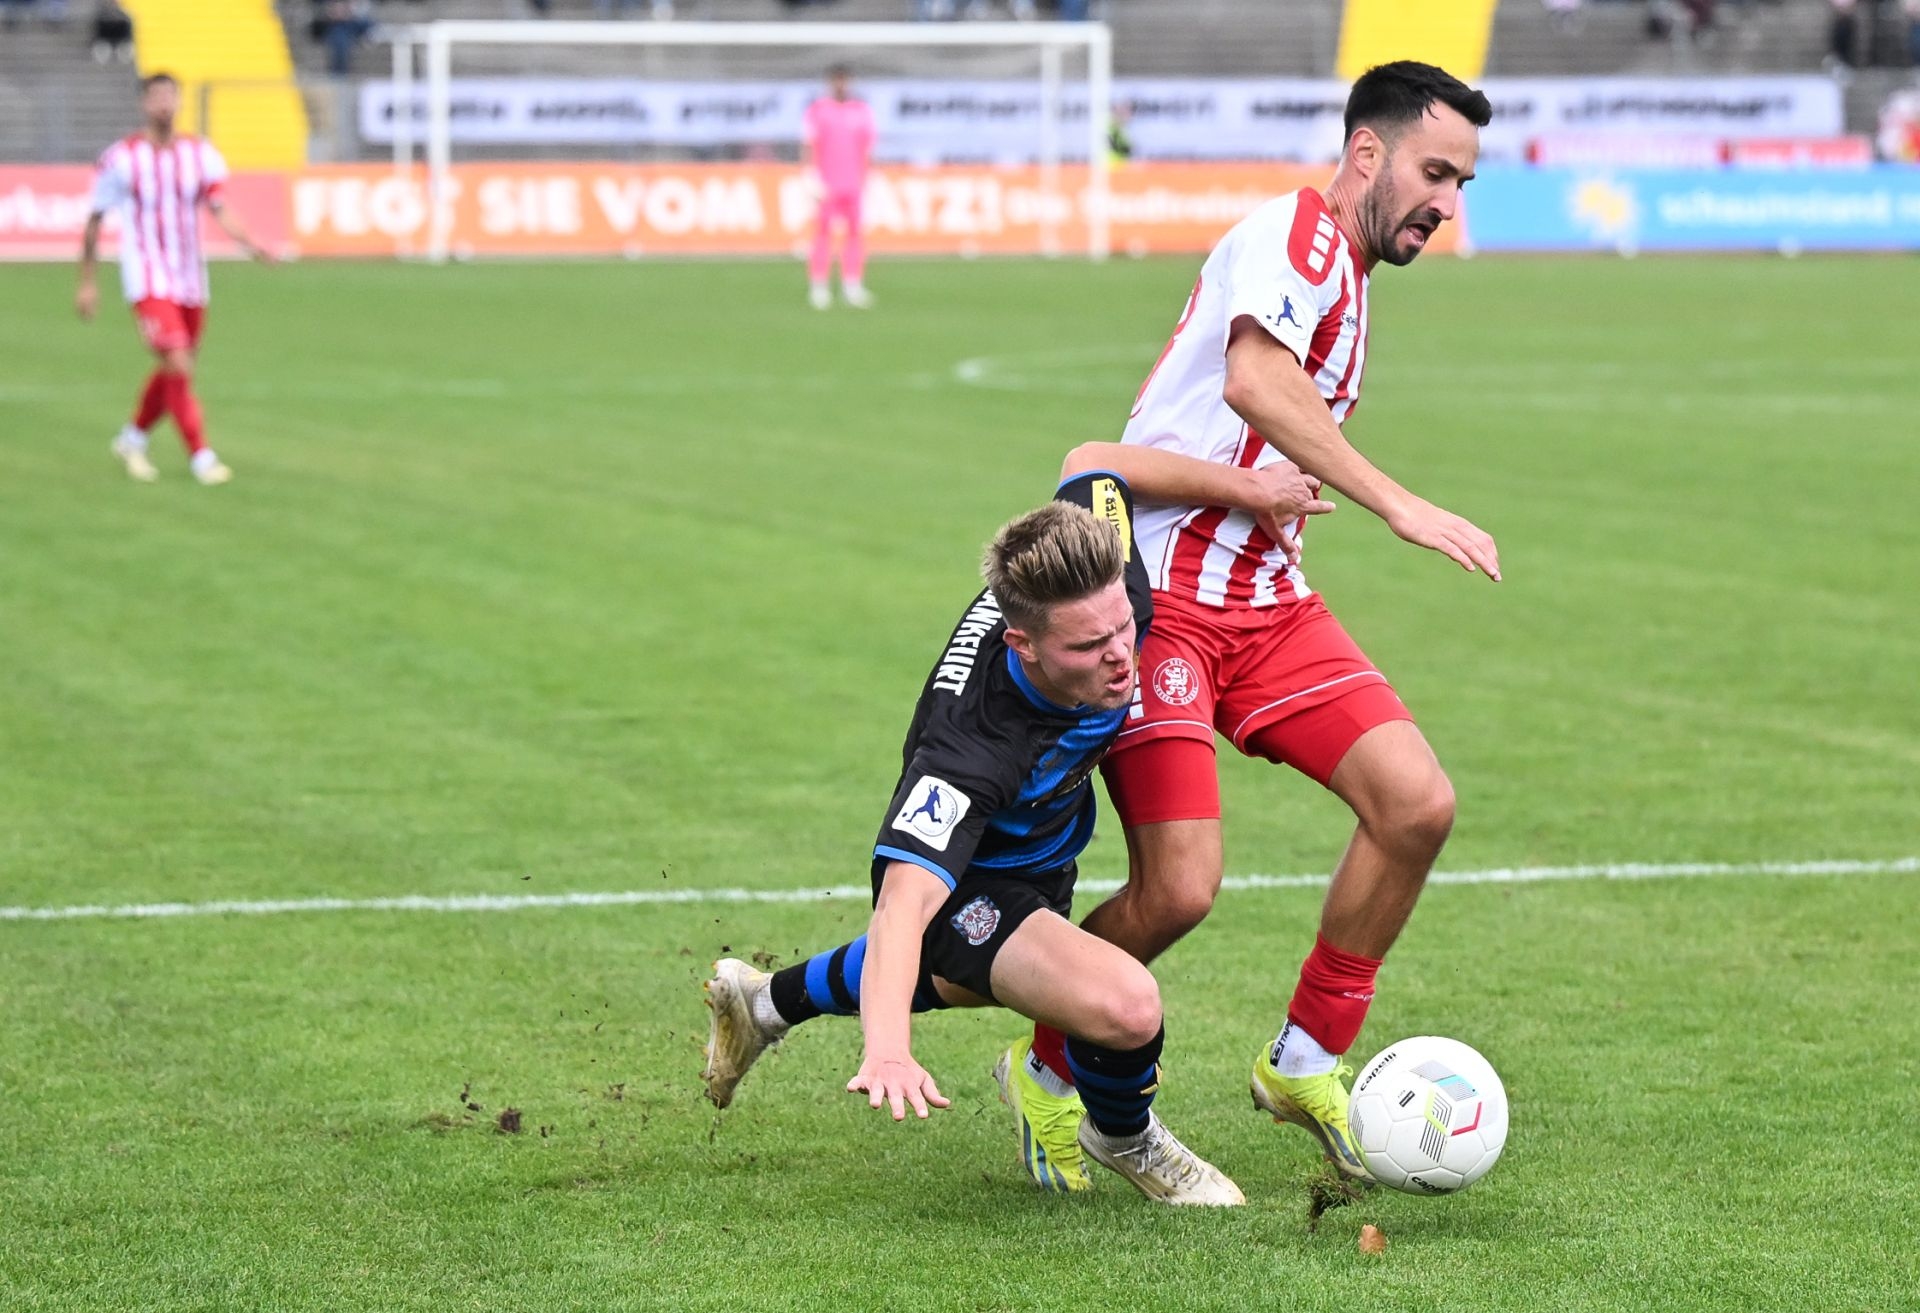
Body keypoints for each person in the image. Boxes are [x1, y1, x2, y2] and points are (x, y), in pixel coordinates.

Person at [992, 60, 1500, 1192]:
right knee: (1179, 888)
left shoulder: (1348, 273)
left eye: (1461, 184)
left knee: (1415, 804)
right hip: (1163, 604)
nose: (1446, 203)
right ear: (1366, 153)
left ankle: (1305, 1059)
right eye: (1434, 172)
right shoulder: (1300, 235)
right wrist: (1403, 506)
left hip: (1265, 600)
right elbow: (1256, 383)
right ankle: (1046, 1070)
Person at [701, 473, 1296, 1206]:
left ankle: (762, 1003)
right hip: (971, 884)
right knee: (1125, 1005)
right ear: (1023, 644)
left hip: (1044, 846)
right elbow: (901, 909)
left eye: (1122, 626)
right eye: (1090, 644)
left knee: (971, 983)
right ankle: (1125, 1136)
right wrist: (888, 1048)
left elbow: (1095, 463)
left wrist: (1250, 487)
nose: (1121, 654)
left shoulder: (1103, 577)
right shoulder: (971, 749)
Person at [76, 73, 275, 486]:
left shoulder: (200, 154)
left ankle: (131, 439)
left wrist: (252, 243)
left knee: (177, 368)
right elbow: (94, 221)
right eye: (156, 96)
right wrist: (88, 282)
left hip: (190, 278)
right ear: (144, 103)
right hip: (148, 277)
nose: (164, 103)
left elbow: (219, 207)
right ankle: (202, 457)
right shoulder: (122, 158)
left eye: (170, 95)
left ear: (179, 102)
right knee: (178, 362)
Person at [802, 65, 875, 310]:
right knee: (823, 234)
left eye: (845, 80)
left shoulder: (861, 110)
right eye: (837, 81)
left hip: (854, 183)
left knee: (854, 235)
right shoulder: (818, 110)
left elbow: (868, 147)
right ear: (830, 83)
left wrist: (870, 176)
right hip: (827, 184)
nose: (841, 85)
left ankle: (851, 285)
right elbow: (809, 144)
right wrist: (810, 175)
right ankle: (819, 285)